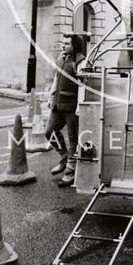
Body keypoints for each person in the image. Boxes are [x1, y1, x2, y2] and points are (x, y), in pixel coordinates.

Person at [45, 34, 85, 187]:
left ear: (75, 46)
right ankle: (64, 157)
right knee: (49, 132)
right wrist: (51, 98)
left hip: (72, 106)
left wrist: (80, 107)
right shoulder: (61, 59)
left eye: (67, 43)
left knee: (73, 139)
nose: (63, 45)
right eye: (63, 42)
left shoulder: (81, 61)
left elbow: (83, 85)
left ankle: (70, 172)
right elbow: (56, 79)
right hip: (58, 104)